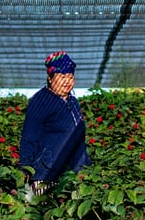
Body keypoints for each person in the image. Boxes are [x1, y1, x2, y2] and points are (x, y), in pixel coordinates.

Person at [19, 51, 91, 201]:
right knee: (43, 213)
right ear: (50, 79)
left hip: (73, 172)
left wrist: (85, 165)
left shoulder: (73, 102)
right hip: (46, 173)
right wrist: (26, 169)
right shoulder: (41, 101)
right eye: (62, 77)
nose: (67, 81)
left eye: (70, 77)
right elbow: (29, 137)